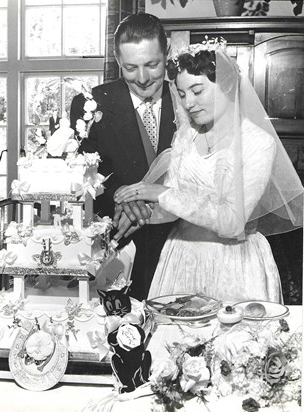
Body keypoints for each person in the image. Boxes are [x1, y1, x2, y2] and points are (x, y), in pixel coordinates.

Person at [114, 39, 304, 304]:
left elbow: (232, 222)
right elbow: (175, 207)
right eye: (181, 94)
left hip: (236, 265)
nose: (188, 103)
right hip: (182, 258)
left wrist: (162, 193)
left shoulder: (257, 143)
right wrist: (139, 210)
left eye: (197, 90)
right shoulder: (185, 137)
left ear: (226, 85)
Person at [69, 13, 176, 300]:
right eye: (131, 68)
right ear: (117, 61)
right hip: (119, 247)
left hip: (179, 247)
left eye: (152, 65)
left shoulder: (189, 98)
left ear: (168, 52)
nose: (142, 78)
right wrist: (124, 198)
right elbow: (84, 177)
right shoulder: (88, 105)